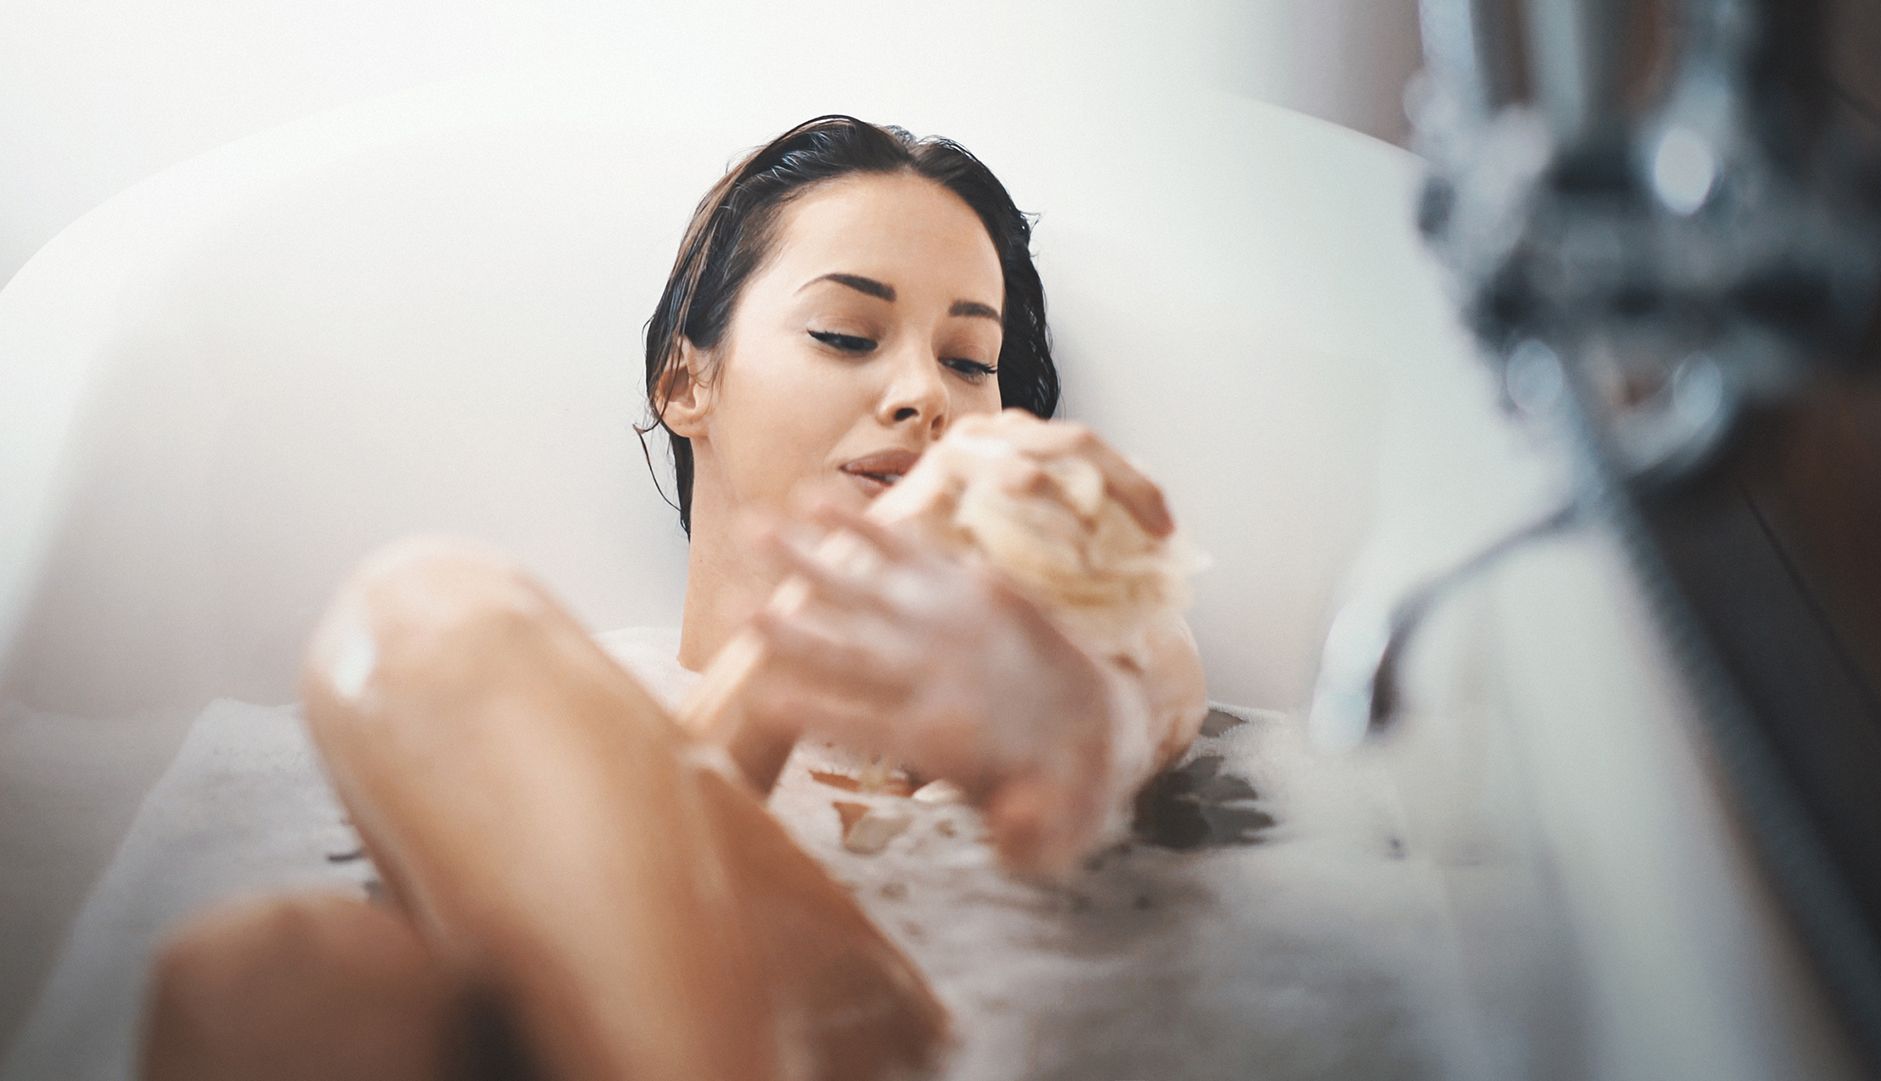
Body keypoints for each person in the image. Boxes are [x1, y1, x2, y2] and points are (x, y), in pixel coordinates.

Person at [140, 115, 1208, 1081]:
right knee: (274, 976)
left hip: (926, 1037)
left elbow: (1148, 685)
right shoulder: (562, 712)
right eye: (845, 334)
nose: (924, 393)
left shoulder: (1040, 661)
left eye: (972, 361)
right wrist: (772, 684)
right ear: (683, 382)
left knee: (424, 615)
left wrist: (1072, 716)